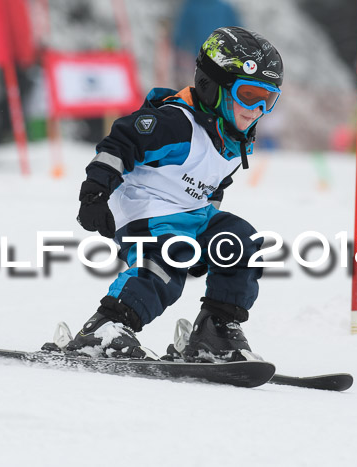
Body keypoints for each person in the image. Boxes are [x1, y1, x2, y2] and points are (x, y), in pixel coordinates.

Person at [64, 27, 283, 362]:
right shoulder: (176, 124)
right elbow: (120, 143)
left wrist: (209, 241)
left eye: (268, 100)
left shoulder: (233, 136)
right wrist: (94, 194)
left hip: (192, 215)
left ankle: (215, 330)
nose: (256, 110)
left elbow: (214, 181)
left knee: (241, 242)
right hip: (146, 212)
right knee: (168, 261)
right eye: (249, 95)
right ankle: (106, 327)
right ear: (214, 87)